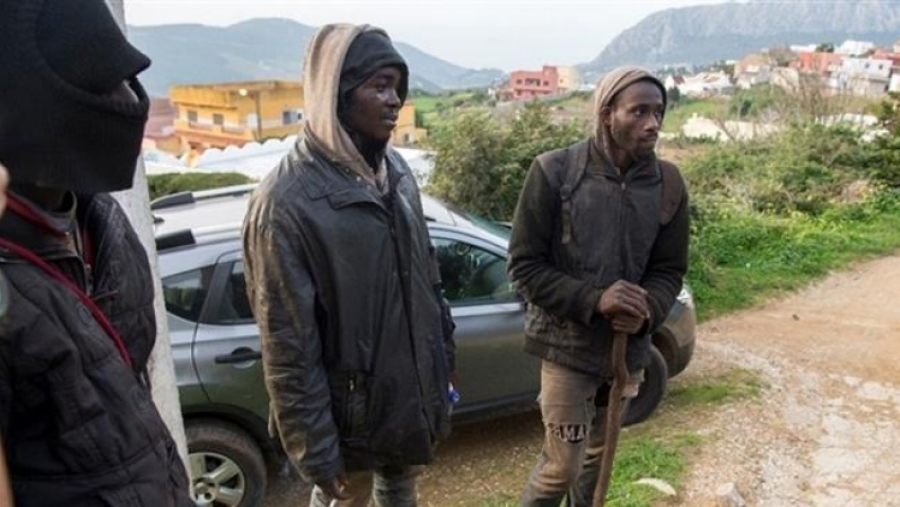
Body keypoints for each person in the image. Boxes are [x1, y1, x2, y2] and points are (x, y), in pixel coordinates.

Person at [242, 23, 456, 507]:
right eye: (378, 86)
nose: (394, 100)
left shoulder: (395, 172)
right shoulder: (284, 204)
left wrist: (443, 357)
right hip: (348, 415)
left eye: (397, 87)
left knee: (401, 488)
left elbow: (428, 276)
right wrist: (315, 449)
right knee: (346, 499)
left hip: (403, 391)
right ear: (335, 94)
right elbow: (287, 346)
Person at [0, 1, 193, 505]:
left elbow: (130, 400)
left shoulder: (104, 220)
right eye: (99, 83)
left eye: (128, 79)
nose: (130, 101)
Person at [509, 66, 690, 506]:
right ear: (608, 114)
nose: (653, 124)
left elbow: (669, 270)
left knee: (595, 461)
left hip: (626, 354)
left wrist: (647, 309)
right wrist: (595, 300)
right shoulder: (554, 172)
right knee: (560, 468)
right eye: (639, 112)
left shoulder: (667, 183)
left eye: (658, 112)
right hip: (566, 351)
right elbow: (524, 267)